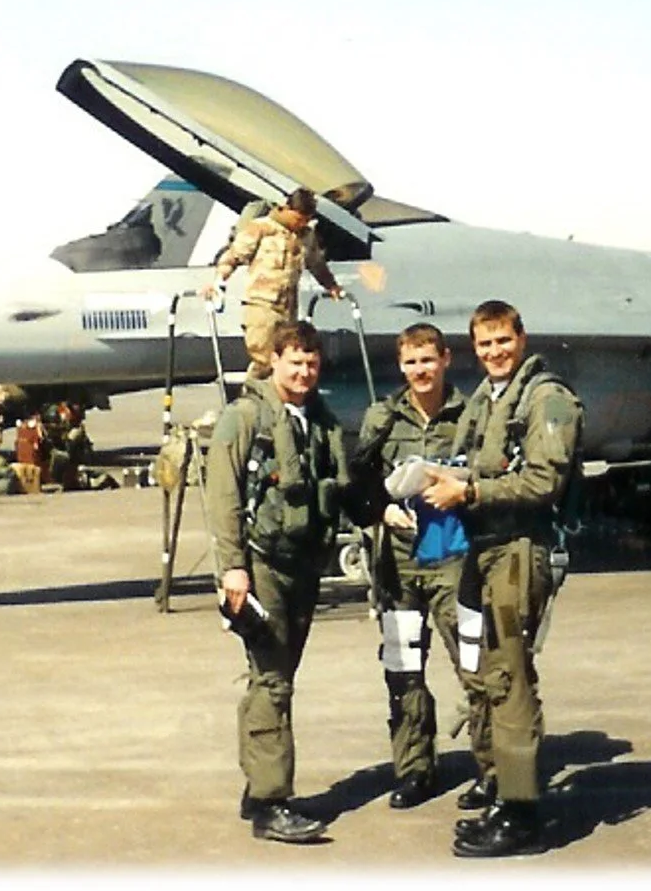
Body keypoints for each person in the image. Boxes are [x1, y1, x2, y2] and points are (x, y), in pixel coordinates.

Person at [421, 300, 583, 858]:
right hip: (485, 549)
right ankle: (505, 793)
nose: (495, 352)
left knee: (510, 676)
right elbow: (483, 463)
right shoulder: (490, 399)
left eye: (503, 341)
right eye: (485, 344)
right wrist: (442, 477)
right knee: (490, 672)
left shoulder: (546, 399)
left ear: (522, 338)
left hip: (518, 550)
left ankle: (521, 814)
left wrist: (469, 491)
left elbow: (542, 482)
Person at [205, 319, 351, 844]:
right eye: (295, 362)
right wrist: (233, 567)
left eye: (311, 363)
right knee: (272, 680)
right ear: (275, 360)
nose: (304, 372)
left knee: (275, 675)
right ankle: (271, 802)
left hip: (303, 567)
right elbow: (222, 493)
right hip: (261, 563)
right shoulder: (245, 417)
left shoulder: (319, 421)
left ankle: (257, 786)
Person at [354, 323, 484, 811]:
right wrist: (381, 510)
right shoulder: (382, 418)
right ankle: (414, 769)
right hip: (400, 563)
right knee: (403, 665)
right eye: (411, 362)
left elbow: (488, 471)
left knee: (474, 663)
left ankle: (492, 771)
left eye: (428, 360)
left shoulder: (471, 414)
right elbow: (359, 480)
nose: (420, 370)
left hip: (454, 558)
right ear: (400, 365)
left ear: (445, 359)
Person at [201, 188, 345, 378]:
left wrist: (332, 286)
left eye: (306, 220)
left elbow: (316, 264)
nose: (301, 223)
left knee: (285, 359)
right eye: (298, 218)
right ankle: (252, 395)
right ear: (286, 209)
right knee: (265, 359)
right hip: (262, 306)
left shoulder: (306, 235)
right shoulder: (261, 228)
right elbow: (233, 257)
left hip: (288, 309)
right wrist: (218, 281)